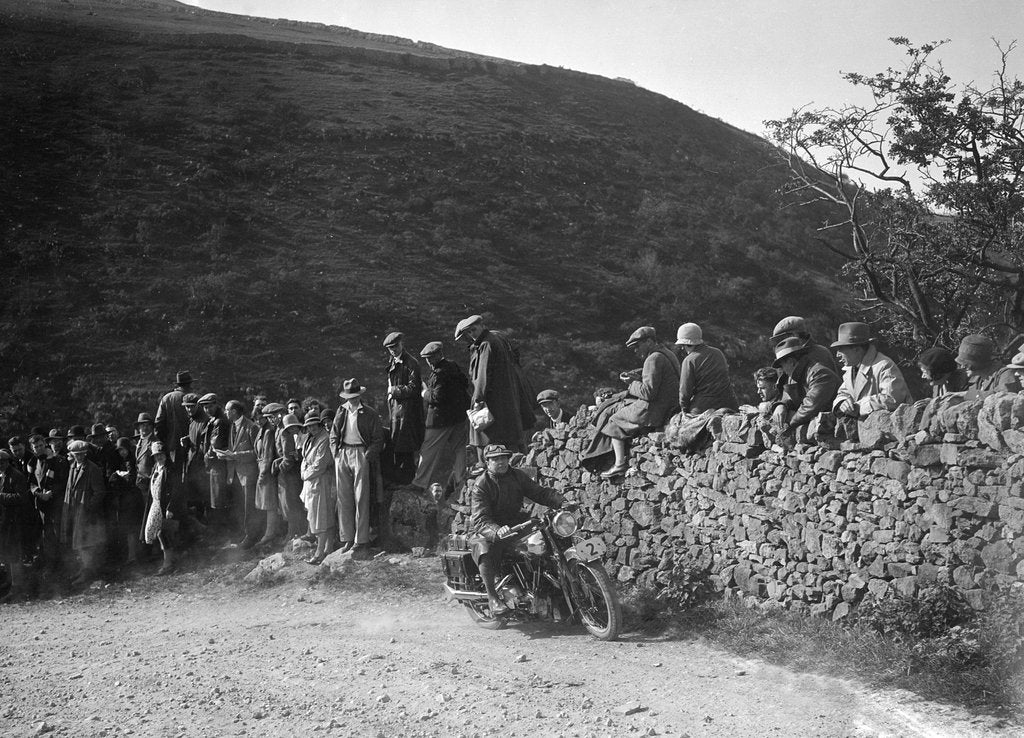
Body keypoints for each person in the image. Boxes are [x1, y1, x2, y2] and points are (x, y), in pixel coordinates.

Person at [469, 444, 564, 615]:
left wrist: (561, 501)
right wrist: (497, 530)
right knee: (484, 549)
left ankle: (557, 596)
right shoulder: (481, 485)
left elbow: (539, 493)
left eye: (504, 457)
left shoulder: (517, 475)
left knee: (546, 540)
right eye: (496, 459)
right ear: (487, 462)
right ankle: (493, 598)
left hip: (517, 523)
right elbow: (480, 518)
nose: (501, 461)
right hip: (490, 529)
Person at [591, 326, 680, 478]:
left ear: (650, 341)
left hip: (655, 410)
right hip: (670, 405)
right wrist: (638, 378)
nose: (635, 351)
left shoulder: (653, 359)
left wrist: (631, 384)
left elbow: (648, 393)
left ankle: (619, 464)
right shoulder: (667, 353)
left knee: (614, 418)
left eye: (637, 346)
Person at [456, 314, 535, 463]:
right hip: (508, 399)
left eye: (474, 329)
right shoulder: (497, 337)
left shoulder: (486, 344)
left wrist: (478, 400)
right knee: (512, 440)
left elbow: (483, 376)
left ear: (482, 326)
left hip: (494, 401)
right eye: (469, 332)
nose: (472, 334)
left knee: (487, 440)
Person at [329, 379, 384, 560]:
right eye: (349, 397)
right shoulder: (341, 410)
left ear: (360, 395)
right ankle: (347, 538)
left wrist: (367, 456)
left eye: (354, 397)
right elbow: (333, 434)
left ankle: (361, 540)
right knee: (344, 497)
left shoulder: (370, 413)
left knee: (361, 497)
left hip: (361, 453)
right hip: (343, 453)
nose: (351, 400)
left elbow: (378, 440)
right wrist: (336, 453)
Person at [410, 341, 471, 496]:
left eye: (431, 357)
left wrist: (424, 393)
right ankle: (460, 481)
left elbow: (437, 397)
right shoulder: (453, 366)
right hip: (458, 416)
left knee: (428, 450)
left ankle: (419, 484)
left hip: (440, 420)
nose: (429, 361)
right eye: (427, 358)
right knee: (459, 449)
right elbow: (465, 383)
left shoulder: (439, 373)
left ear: (439, 355)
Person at [830, 322, 910, 420]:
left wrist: (858, 406)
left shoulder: (884, 366)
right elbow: (843, 393)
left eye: (841, 349)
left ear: (857, 349)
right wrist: (842, 402)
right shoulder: (851, 369)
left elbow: (892, 399)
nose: (838, 355)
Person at [770, 337, 841, 434]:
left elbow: (809, 407)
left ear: (791, 361)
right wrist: (782, 405)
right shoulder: (800, 375)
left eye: (782, 365)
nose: (783, 371)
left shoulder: (819, 374)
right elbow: (792, 399)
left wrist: (788, 424)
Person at [61, 440, 108, 587]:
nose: (79, 457)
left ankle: (88, 573)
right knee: (79, 544)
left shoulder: (92, 469)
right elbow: (70, 489)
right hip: (75, 512)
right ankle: (83, 570)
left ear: (85, 454)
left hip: (87, 514)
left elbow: (100, 493)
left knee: (87, 544)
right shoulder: (73, 467)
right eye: (76, 455)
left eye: (81, 454)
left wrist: (88, 509)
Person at [382, 332, 425, 484]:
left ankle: (407, 482)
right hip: (396, 411)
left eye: (395, 347)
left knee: (406, 447)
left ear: (402, 344)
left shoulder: (411, 363)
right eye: (390, 348)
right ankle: (399, 481)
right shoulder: (393, 361)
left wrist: (393, 391)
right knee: (397, 445)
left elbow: (415, 388)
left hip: (408, 412)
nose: (393, 350)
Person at [27, 433, 69, 578]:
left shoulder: (58, 460)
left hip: (56, 503)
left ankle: (65, 567)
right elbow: (31, 482)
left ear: (45, 445)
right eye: (35, 447)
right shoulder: (33, 462)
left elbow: (63, 481)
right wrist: (38, 493)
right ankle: (51, 567)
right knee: (47, 536)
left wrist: (51, 493)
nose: (38, 449)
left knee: (59, 534)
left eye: (40, 446)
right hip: (42, 505)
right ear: (32, 448)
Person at [675, 323, 738, 413]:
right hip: (729, 404)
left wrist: (684, 409)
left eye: (682, 345)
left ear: (687, 344)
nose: (682, 348)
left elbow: (685, 392)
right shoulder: (718, 352)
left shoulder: (689, 360)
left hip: (704, 407)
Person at [224, 400, 262, 549]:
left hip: (248, 474)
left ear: (234, 411)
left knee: (249, 508)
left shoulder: (251, 427)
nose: (225, 412)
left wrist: (235, 455)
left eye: (227, 410)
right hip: (236, 474)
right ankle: (243, 535)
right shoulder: (232, 426)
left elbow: (256, 452)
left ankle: (251, 537)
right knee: (240, 507)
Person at [300, 410, 336, 565]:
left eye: (314, 425)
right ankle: (327, 548)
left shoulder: (324, 439)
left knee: (320, 517)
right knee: (317, 515)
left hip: (321, 481)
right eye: (309, 426)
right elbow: (304, 460)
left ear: (320, 424)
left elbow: (320, 464)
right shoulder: (311, 439)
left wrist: (305, 474)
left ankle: (320, 552)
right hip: (311, 481)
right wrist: (304, 472)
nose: (312, 428)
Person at [0, 449, 32, 601]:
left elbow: (22, 498)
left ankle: (18, 587)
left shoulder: (16, 476)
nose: (0, 465)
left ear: (7, 462)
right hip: (5, 521)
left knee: (14, 555)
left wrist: (1, 496)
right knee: (6, 553)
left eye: (2, 462)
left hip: (15, 521)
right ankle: (9, 582)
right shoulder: (3, 475)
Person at [273, 412, 306, 544]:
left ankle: (294, 532)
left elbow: (289, 458)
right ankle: (293, 532)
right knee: (288, 504)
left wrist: (280, 468)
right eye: (290, 427)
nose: (293, 429)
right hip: (293, 473)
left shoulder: (297, 436)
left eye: (295, 427)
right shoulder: (290, 436)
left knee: (292, 504)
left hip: (292, 474)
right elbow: (288, 455)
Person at [199, 394, 230, 535]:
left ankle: (224, 534)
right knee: (216, 499)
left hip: (218, 466)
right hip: (214, 466)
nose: (208, 409)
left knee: (219, 500)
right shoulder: (213, 420)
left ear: (216, 404)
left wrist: (205, 460)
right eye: (205, 407)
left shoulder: (220, 422)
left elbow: (214, 446)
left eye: (210, 406)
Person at [957, 334, 1022, 401]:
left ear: (980, 363)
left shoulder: (1006, 374)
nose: (962, 367)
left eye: (967, 364)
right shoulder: (979, 377)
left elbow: (1004, 397)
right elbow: (971, 398)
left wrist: (966, 394)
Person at [254, 402, 284, 547]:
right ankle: (270, 531)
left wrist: (262, 474)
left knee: (270, 503)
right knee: (267, 503)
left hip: (267, 472)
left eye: (262, 418)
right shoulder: (261, 431)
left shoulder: (268, 432)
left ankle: (270, 533)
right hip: (263, 470)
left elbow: (267, 455)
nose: (259, 421)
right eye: (256, 419)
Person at [155, 371, 194, 468]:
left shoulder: (166, 398)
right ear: (189, 384)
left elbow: (158, 425)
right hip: (192, 447)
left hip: (171, 447)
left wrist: (165, 442)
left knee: (174, 477)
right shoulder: (194, 399)